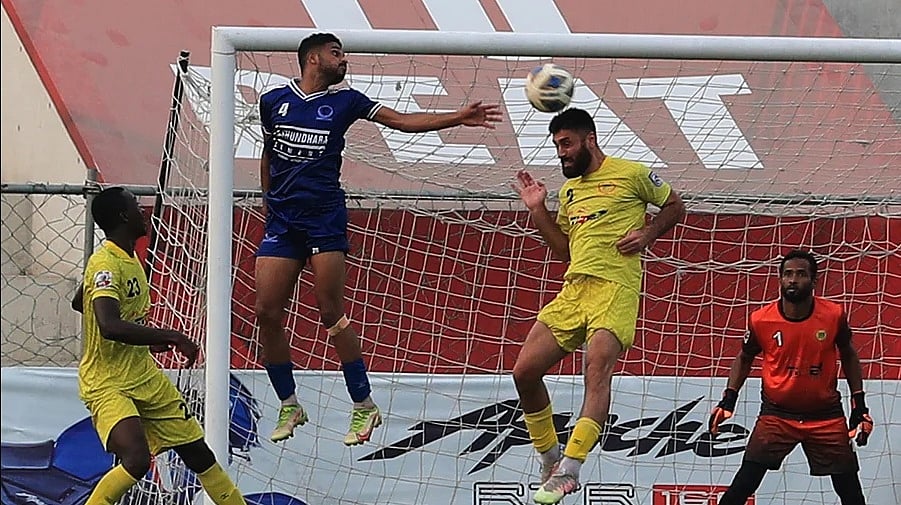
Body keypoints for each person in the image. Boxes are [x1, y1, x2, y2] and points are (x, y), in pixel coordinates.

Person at [255, 32, 502, 446]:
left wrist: (457, 117)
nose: (344, 59)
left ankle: (363, 403)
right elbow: (268, 151)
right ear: (313, 58)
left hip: (324, 220)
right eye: (337, 54)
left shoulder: (347, 101)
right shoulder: (273, 101)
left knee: (329, 309)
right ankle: (289, 402)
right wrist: (268, 203)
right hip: (282, 221)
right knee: (265, 311)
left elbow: (402, 122)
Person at [511, 108, 685, 504]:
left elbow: (676, 206)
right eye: (557, 147)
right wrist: (537, 208)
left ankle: (571, 469)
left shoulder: (633, 173)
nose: (562, 153)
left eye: (567, 143)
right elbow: (565, 252)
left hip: (615, 288)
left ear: (590, 139)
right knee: (524, 371)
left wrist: (648, 234)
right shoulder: (570, 192)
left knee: (596, 370)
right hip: (575, 290)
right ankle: (551, 458)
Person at [73, 187, 245, 505]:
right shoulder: (106, 263)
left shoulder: (127, 258)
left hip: (145, 377)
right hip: (108, 382)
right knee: (137, 460)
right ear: (124, 216)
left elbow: (79, 301)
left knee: (198, 453)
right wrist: (171, 336)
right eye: (136, 206)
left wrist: (141, 339)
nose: (142, 210)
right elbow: (109, 326)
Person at [709, 249, 873, 505]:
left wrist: (859, 405)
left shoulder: (833, 315)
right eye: (787, 274)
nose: (793, 280)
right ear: (780, 279)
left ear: (814, 281)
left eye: (800, 274)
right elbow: (744, 357)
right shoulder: (761, 319)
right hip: (777, 415)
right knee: (744, 484)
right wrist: (728, 399)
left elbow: (849, 355)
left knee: (850, 491)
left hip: (825, 416)